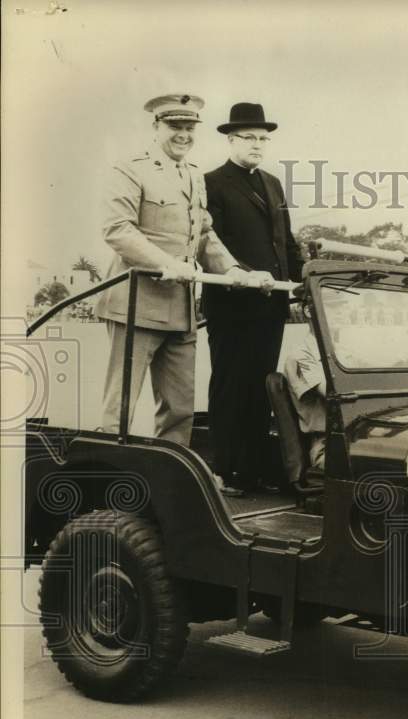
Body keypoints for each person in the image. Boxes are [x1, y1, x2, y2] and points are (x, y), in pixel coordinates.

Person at [96, 93, 242, 444]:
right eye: (175, 125)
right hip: (136, 306)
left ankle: (169, 486)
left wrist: (233, 270)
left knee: (179, 409)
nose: (184, 134)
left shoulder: (194, 175)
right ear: (156, 126)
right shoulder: (131, 169)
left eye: (190, 127)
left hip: (180, 311)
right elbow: (118, 229)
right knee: (120, 408)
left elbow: (204, 234)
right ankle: (104, 486)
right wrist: (168, 264)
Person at [203, 103, 304, 496]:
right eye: (249, 138)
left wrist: (299, 279)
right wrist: (245, 275)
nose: (258, 145)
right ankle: (228, 470)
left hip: (271, 304)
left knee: (262, 385)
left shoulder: (273, 183)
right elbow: (211, 243)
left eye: (263, 138)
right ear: (231, 140)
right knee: (231, 385)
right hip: (232, 305)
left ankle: (257, 467)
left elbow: (287, 241)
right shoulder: (211, 182)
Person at [283, 320, 327, 472]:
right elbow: (334, 394)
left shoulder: (338, 351)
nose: (340, 313)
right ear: (310, 310)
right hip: (327, 444)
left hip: (353, 439)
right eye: (333, 307)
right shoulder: (302, 354)